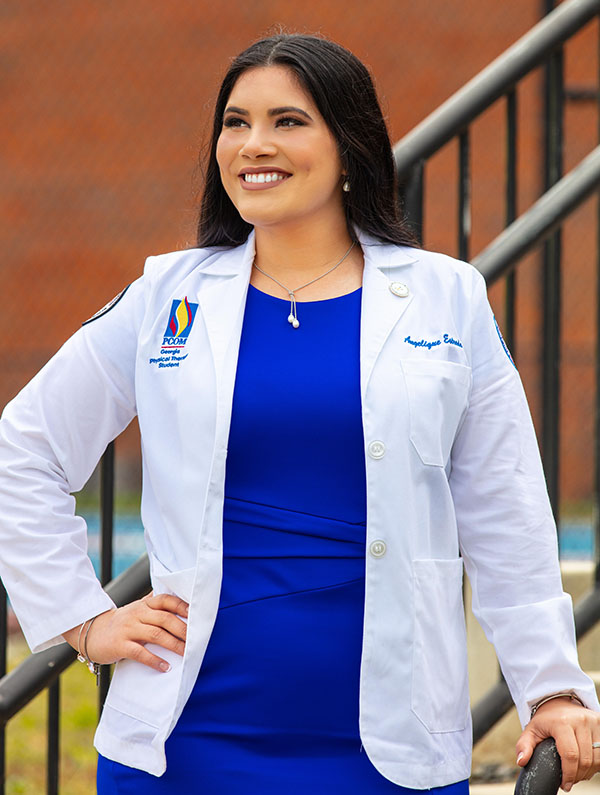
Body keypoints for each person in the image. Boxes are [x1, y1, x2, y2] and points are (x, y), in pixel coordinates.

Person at [0, 32, 599, 795]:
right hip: (189, 743)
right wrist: (85, 619)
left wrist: (551, 685)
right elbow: (21, 451)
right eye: (235, 122)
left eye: (287, 121)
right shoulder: (168, 298)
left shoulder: (447, 297)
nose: (254, 144)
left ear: (349, 147)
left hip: (390, 752)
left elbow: (505, 507)